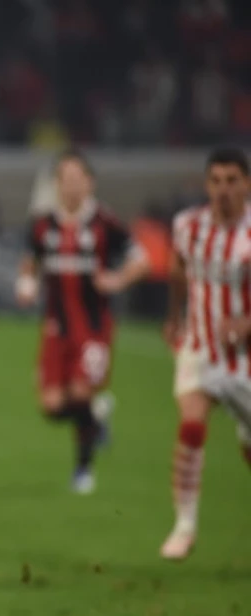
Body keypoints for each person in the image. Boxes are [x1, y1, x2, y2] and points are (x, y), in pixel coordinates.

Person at [15, 151, 149, 494]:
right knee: (51, 406)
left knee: (79, 392)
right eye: (64, 179)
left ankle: (83, 470)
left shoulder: (105, 224)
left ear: (90, 183)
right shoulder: (44, 225)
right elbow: (30, 262)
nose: (71, 186)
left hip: (93, 327)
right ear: (57, 184)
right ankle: (97, 416)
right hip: (55, 327)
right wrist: (27, 284)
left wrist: (118, 280)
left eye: (77, 179)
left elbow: (141, 260)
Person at [160, 147, 251, 561]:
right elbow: (179, 271)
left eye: (232, 181)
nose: (224, 190)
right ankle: (185, 525)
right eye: (216, 181)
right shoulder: (188, 226)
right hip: (200, 347)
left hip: (245, 359)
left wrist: (246, 324)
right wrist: (174, 317)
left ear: (246, 184)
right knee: (192, 425)